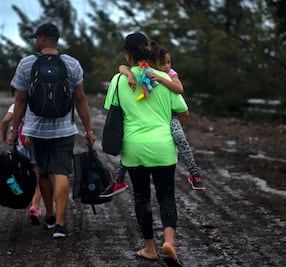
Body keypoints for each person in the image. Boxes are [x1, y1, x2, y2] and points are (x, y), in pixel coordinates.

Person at [104, 32, 186, 266]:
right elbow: (182, 110)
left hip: (134, 148)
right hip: (163, 146)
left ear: (127, 54)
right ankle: (169, 241)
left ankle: (149, 248)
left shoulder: (119, 80)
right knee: (166, 196)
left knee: (142, 198)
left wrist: (127, 73)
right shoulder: (163, 78)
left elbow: (112, 109)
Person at [8, 23, 96, 239]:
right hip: (64, 129)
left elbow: (20, 100)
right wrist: (89, 129)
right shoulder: (72, 64)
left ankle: (49, 215)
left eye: (37, 38)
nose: (36, 42)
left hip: (36, 130)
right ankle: (60, 224)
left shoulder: (27, 64)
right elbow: (80, 99)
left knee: (44, 172)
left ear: (44, 38)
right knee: (62, 173)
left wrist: (14, 130)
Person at [100, 42, 205, 198]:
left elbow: (179, 89)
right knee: (130, 154)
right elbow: (122, 68)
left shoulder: (168, 74)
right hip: (161, 131)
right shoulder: (146, 72)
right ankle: (118, 180)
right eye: (163, 63)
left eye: (169, 62)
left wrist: (161, 79)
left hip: (166, 119)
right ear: (152, 62)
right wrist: (130, 74)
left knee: (180, 140)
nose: (167, 66)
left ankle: (194, 172)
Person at [1, 103, 42, 225]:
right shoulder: (38, 104)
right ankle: (35, 206)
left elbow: (6, 120)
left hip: (22, 145)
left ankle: (19, 195)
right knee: (38, 175)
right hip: (37, 143)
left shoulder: (17, 105)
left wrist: (5, 137)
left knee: (21, 173)